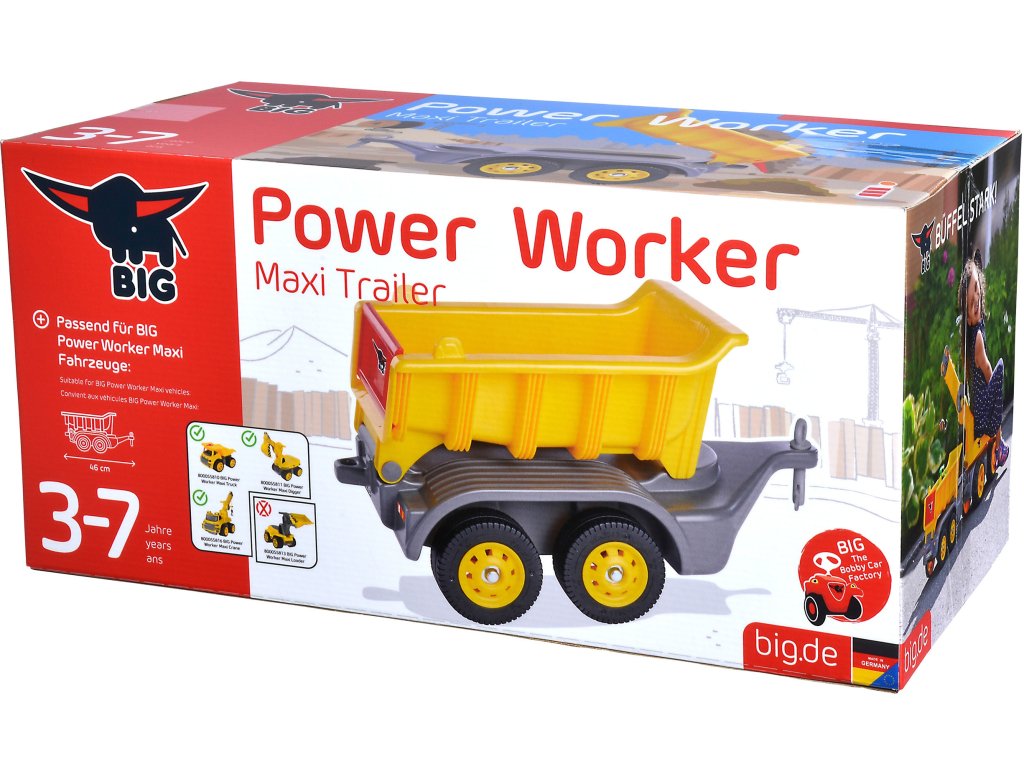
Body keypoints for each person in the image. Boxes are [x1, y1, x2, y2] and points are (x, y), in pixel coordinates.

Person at [959, 251, 1009, 466]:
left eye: (977, 293)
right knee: (999, 367)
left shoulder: (970, 334)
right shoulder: (977, 338)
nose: (977, 302)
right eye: (971, 303)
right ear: (967, 315)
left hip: (978, 412)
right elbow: (988, 372)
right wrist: (996, 428)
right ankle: (1000, 443)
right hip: (984, 419)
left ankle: (997, 440)